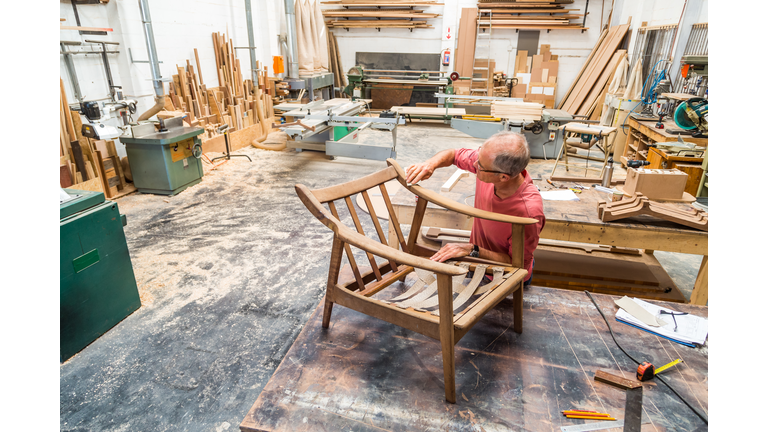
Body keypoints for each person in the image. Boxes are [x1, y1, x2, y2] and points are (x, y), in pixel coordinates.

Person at [405, 131, 545, 286]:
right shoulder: (488, 163)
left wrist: (473, 250)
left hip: (504, 278)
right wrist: (430, 164)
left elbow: (517, 265)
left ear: (503, 177)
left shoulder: (528, 213)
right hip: (477, 261)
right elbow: (453, 154)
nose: (474, 164)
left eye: (480, 166)